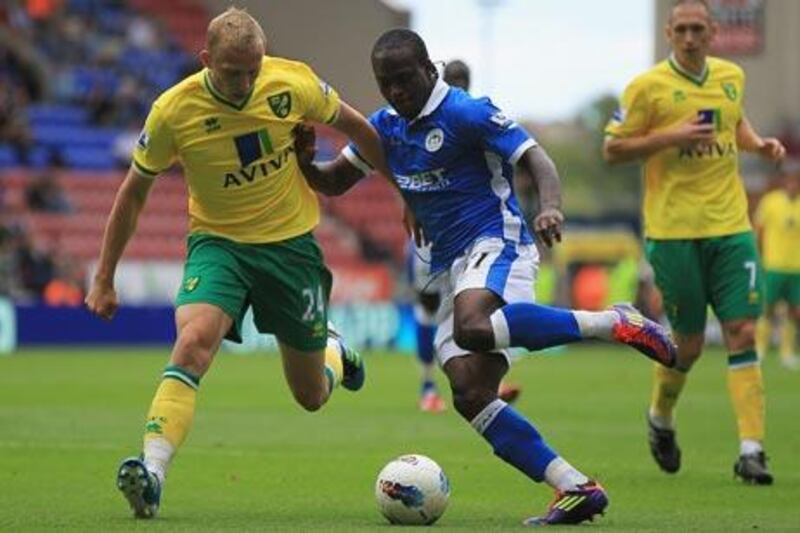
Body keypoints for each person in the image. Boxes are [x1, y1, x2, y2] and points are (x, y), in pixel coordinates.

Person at [294, 28, 677, 526]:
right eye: (385, 83)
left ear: (428, 69)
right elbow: (333, 181)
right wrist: (304, 160)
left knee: (475, 326)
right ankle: (576, 487)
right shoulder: (384, 127)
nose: (396, 91)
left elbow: (536, 157)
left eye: (404, 79)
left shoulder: (466, 113)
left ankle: (614, 321)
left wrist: (551, 208)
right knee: (470, 392)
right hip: (452, 267)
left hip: (499, 241)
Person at [85, 8, 392, 519]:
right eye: (233, 72)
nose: (246, 82)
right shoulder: (172, 111)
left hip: (290, 248)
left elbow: (360, 129)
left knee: (311, 395)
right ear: (206, 60)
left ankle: (335, 353)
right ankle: (152, 473)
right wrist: (103, 277)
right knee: (192, 344)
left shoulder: (292, 82)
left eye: (254, 69)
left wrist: (404, 194)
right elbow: (133, 192)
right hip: (218, 245)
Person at [603, 0, 786, 485]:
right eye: (681, 28)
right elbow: (613, 148)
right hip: (673, 232)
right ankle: (660, 418)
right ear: (669, 32)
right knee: (686, 346)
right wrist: (670, 135)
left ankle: (752, 450)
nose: (689, 37)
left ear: (712, 32)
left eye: (697, 29)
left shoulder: (731, 76)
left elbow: (735, 124)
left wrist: (759, 143)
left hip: (731, 227)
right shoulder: (647, 88)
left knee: (743, 331)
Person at [408, 58, 519, 413]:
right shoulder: (424, 123)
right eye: (452, 79)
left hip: (474, 235)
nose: (457, 85)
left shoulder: (472, 122)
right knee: (429, 309)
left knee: (477, 311)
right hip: (433, 237)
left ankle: (487, 385)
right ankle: (427, 386)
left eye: (462, 80)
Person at [754, 163, 800, 370]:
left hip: (796, 268)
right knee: (767, 309)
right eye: (789, 179)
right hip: (773, 265)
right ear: (783, 181)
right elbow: (759, 231)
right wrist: (759, 255)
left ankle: (787, 353)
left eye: (796, 180)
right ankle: (760, 349)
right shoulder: (770, 202)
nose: (792, 184)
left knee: (794, 311)